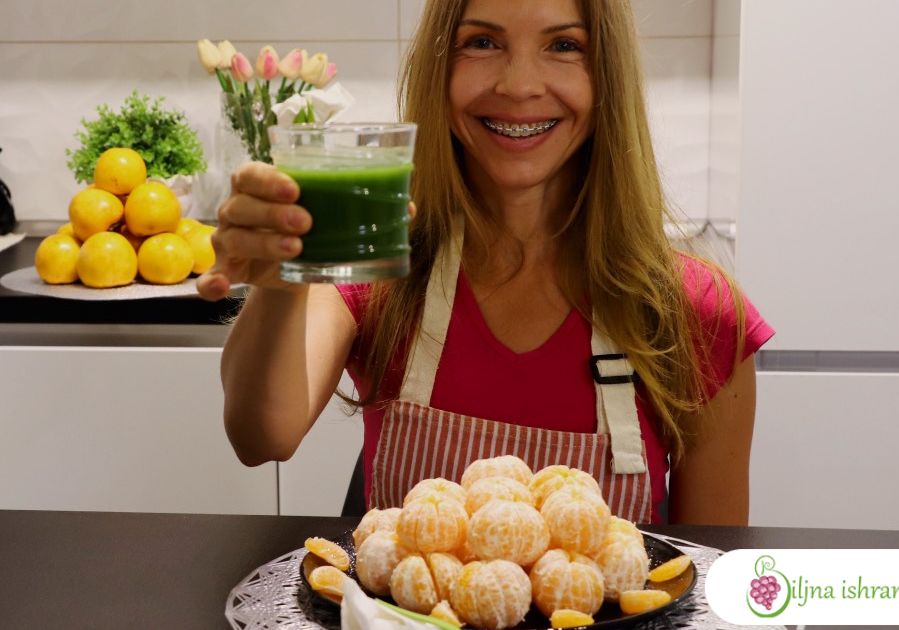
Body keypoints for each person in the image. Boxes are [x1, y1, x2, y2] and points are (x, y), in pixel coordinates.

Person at [197, 0, 773, 525]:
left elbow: (704, 583)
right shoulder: (380, 267)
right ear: (438, 70)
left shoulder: (697, 311)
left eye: (564, 46)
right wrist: (279, 284)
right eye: (481, 42)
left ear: (608, 81)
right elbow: (261, 435)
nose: (519, 85)